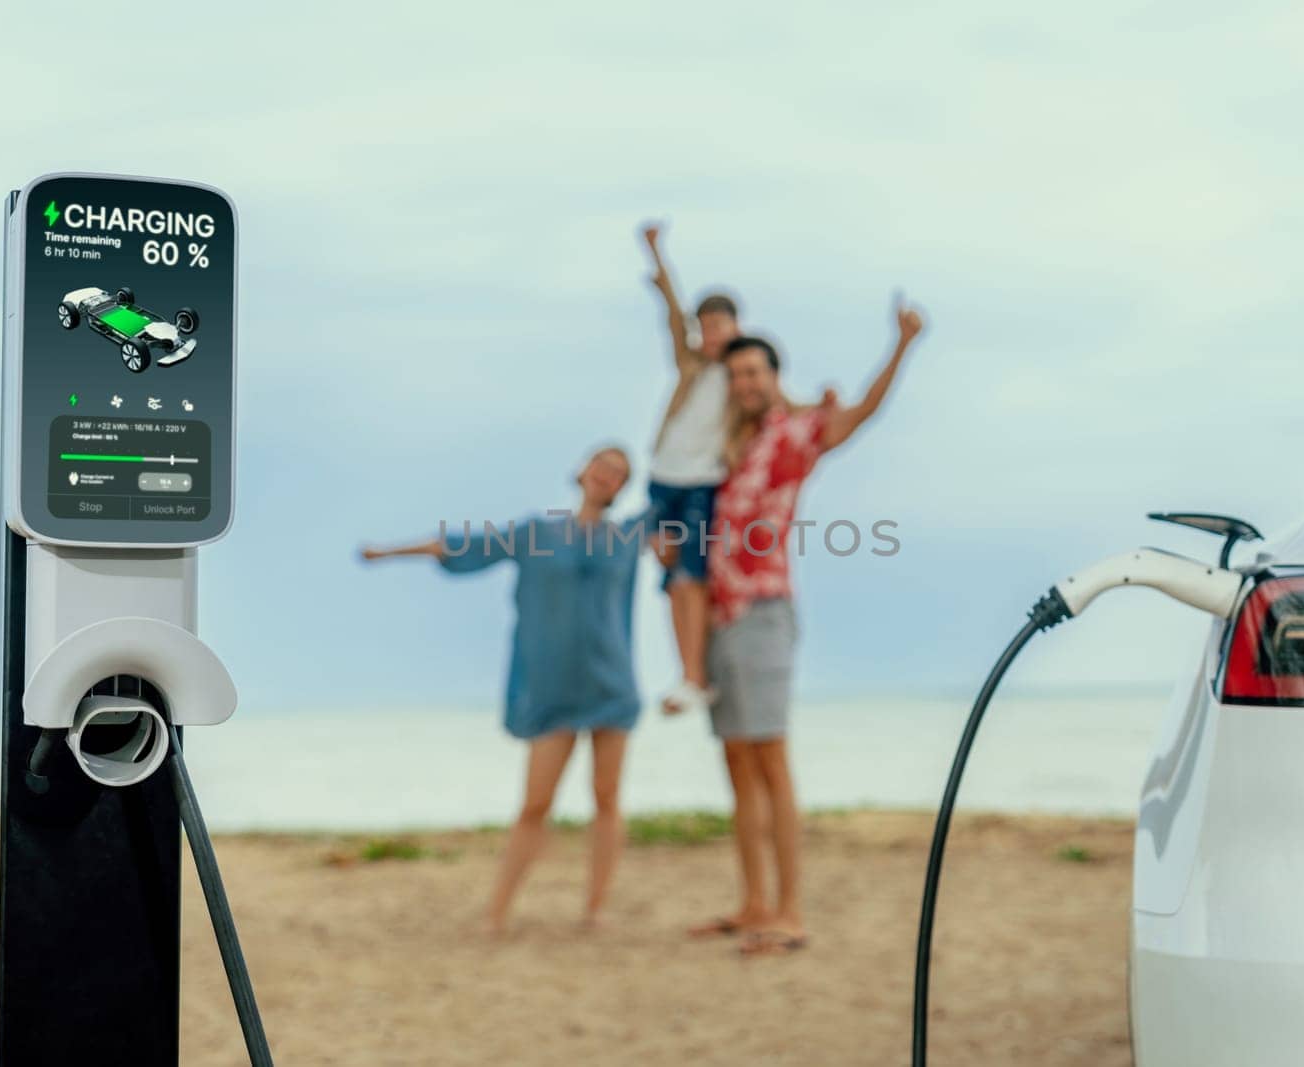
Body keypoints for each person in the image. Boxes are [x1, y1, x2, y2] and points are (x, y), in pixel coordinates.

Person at [694, 299, 926, 955]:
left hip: (765, 609)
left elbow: (860, 415)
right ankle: (753, 901)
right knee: (736, 760)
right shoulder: (729, 447)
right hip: (718, 613)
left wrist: (901, 344)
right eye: (735, 376)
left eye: (753, 375)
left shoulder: (797, 433)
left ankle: (790, 911)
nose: (744, 385)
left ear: (773, 376)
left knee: (769, 757)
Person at [358, 446, 643, 935]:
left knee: (607, 798)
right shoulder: (536, 533)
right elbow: (461, 546)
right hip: (552, 688)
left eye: (619, 472)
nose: (607, 475)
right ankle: (497, 913)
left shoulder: (628, 541)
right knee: (535, 804)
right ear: (580, 471)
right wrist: (387, 553)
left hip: (610, 683)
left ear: (623, 488)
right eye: (601, 464)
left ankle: (595, 911)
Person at [639, 221, 740, 719]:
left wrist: (825, 405)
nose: (710, 334)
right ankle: (687, 674)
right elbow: (672, 316)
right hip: (662, 477)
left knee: (691, 576)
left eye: (720, 325)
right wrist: (657, 256)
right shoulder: (691, 364)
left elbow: (785, 404)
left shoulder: (743, 370)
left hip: (702, 483)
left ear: (736, 327)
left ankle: (696, 677)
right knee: (671, 576)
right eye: (705, 327)